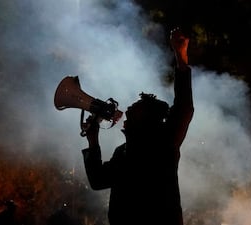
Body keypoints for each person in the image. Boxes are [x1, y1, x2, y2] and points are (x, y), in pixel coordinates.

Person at [81, 27, 194, 225]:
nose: (129, 110)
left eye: (136, 108)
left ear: (149, 118)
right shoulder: (122, 152)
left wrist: (181, 57)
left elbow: (184, 107)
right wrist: (93, 141)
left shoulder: (164, 141)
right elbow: (98, 180)